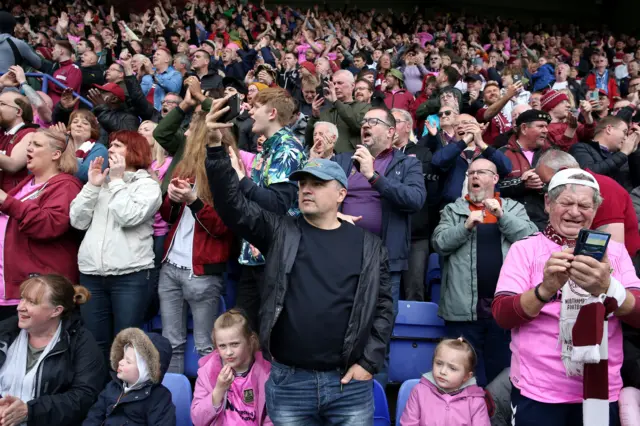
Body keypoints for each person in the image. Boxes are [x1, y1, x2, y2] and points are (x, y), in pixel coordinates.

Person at [204, 96, 393, 425]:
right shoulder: (281, 232)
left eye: (317, 184)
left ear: (341, 194)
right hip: (290, 382)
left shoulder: (370, 247)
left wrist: (368, 363)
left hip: (347, 385)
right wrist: (217, 152)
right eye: (303, 183)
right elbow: (233, 207)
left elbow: (384, 309)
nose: (306, 189)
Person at [493, 169, 640, 425]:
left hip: (600, 390)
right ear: (549, 203)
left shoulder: (615, 252)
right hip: (538, 390)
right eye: (566, 203)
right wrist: (545, 289)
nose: (575, 212)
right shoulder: (525, 250)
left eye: (584, 205)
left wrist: (609, 287)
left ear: (595, 210)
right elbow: (503, 315)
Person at [433, 158, 537, 386]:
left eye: (481, 173)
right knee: (460, 378)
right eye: (470, 174)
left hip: (504, 309)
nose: (474, 177)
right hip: (463, 311)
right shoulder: (453, 210)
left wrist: (502, 216)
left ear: (495, 178)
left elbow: (531, 239)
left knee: (500, 378)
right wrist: (465, 226)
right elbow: (439, 243)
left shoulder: (513, 208)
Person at [70, 131, 162, 365]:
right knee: (94, 344)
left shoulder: (148, 186)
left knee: (125, 344)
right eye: (110, 145)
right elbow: (77, 221)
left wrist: (119, 181)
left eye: (118, 145)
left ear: (135, 151)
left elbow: (128, 217)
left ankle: (123, 397)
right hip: (91, 275)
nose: (110, 149)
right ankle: (97, 396)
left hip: (130, 276)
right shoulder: (102, 182)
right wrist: (91, 186)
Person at [158, 111, 233, 373]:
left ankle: (208, 406)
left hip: (202, 273)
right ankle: (173, 407)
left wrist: (194, 201)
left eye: (191, 129)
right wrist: (171, 199)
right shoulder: (184, 167)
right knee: (171, 343)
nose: (186, 134)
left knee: (205, 345)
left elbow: (224, 227)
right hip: (171, 268)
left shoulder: (227, 171)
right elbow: (168, 217)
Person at [334, 107, 426, 316]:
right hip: (343, 255)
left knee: (380, 325)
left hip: (385, 260)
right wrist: (334, 215)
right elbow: (320, 195)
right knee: (340, 320)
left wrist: (373, 176)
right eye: (364, 121)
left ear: (391, 131)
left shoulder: (408, 163)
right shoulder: (342, 161)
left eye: (373, 121)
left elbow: (415, 200)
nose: (365, 124)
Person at [230, 88, 306, 333]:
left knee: (267, 334)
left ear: (272, 113)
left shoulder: (287, 149)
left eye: (255, 106)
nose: (249, 112)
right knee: (244, 331)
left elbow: (277, 204)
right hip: (255, 254)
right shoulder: (267, 149)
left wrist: (241, 179)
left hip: (275, 257)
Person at [0, 275, 106, 425]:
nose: (20, 307)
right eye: (22, 299)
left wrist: (30, 411)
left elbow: (84, 397)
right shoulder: (4, 333)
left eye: (31, 302)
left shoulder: (80, 342)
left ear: (56, 311)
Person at [0, 128, 82, 321]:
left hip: (39, 290)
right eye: (29, 143)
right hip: (11, 288)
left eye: (36, 144)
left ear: (55, 154)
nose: (29, 147)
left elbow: (49, 225)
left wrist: (7, 202)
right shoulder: (27, 183)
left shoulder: (66, 185)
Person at [191, 309, 272, 426]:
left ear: (250, 341)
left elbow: (273, 419)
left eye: (235, 344)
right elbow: (198, 420)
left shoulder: (266, 373)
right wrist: (219, 390)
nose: (228, 352)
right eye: (222, 346)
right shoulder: (207, 372)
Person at [82, 328, 176, 426]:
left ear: (145, 371)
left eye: (128, 361)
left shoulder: (159, 399)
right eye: (123, 357)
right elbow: (94, 417)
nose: (120, 362)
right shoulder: (112, 386)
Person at [391, 108, 434, 301]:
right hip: (388, 232)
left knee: (415, 288)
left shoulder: (423, 153)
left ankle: (413, 332)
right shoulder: (379, 155)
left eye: (395, 121)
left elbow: (430, 192)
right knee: (384, 288)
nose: (390, 126)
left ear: (408, 126)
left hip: (417, 233)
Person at [399, 338, 490, 426]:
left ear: (466, 376)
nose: (442, 371)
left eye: (452, 368)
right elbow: (408, 423)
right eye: (439, 363)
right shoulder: (419, 391)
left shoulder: (476, 401)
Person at [498, 109, 552, 230]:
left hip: (544, 223)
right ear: (523, 128)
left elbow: (561, 187)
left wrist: (541, 185)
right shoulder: (502, 154)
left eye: (546, 127)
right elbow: (493, 187)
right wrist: (521, 183)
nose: (546, 130)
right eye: (540, 126)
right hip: (511, 222)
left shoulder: (551, 154)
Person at [306, 70, 371, 153]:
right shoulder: (325, 111)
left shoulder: (364, 107)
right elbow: (309, 140)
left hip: (350, 160)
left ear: (352, 86)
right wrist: (314, 117)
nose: (335, 87)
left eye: (340, 83)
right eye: (334, 84)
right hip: (325, 159)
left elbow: (357, 125)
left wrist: (336, 102)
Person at [569, 115, 640, 191]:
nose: (626, 138)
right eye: (624, 132)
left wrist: (634, 152)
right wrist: (623, 154)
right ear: (609, 129)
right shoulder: (580, 148)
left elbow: (637, 184)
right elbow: (589, 174)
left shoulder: (623, 155)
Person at [54, 109, 109, 183]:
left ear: (92, 129)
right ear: (70, 128)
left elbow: (86, 175)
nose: (79, 125)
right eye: (75, 122)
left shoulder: (99, 149)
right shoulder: (62, 144)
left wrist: (64, 150)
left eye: (85, 123)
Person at [476, 81, 521, 146]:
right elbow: (488, 114)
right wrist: (508, 95)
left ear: (500, 94)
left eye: (495, 90)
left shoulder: (503, 114)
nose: (492, 93)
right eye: (488, 92)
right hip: (492, 151)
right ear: (483, 98)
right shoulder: (481, 111)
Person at [47, 39, 83, 106]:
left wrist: (49, 82)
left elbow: (68, 90)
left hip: (65, 111)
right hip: (54, 108)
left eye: (54, 49)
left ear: (61, 51)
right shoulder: (57, 70)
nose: (52, 52)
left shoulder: (74, 68)